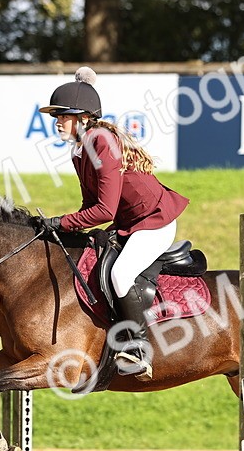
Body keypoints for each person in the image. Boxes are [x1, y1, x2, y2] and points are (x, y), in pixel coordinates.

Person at [35, 67, 188, 381]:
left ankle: (138, 348)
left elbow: (104, 210)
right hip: (128, 223)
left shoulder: (101, 142)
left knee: (120, 273)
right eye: (57, 117)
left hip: (154, 221)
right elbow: (89, 206)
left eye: (63, 116)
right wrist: (62, 227)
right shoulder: (80, 150)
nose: (58, 122)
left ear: (84, 118)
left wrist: (60, 222)